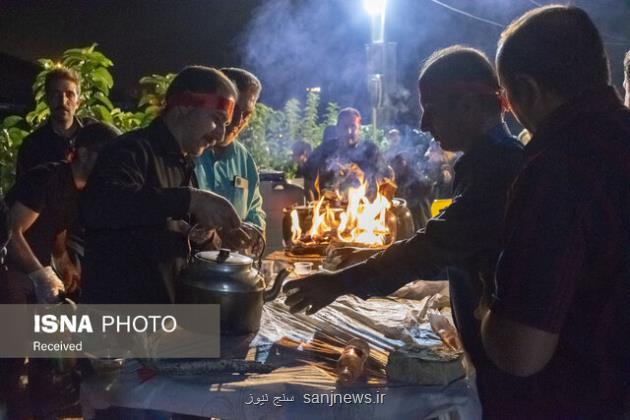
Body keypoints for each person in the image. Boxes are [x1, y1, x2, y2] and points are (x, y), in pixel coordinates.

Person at [284, 46, 523, 414]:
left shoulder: (498, 168)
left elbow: (436, 249)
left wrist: (339, 282)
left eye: (432, 108)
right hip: (496, 358)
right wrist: (367, 255)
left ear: (467, 106)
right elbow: (460, 253)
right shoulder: (488, 161)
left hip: (510, 367)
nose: (426, 124)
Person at [480, 6, 630, 417]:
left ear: (527, 90)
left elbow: (520, 352)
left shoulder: (557, 166)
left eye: (507, 99)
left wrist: (484, 310)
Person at [79, 66, 245, 304]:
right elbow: (100, 206)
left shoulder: (184, 165)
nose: (220, 135)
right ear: (185, 105)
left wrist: (205, 236)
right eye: (217, 120)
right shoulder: (130, 150)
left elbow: (171, 233)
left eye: (225, 125)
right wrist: (191, 199)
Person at [0, 122, 119, 419]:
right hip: (9, 268)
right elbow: (12, 233)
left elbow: (58, 225)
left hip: (35, 268)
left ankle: (43, 409)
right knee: (13, 356)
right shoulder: (47, 178)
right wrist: (41, 274)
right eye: (109, 157)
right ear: (84, 153)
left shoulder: (82, 188)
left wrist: (62, 259)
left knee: (47, 353)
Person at [194, 68, 265, 253]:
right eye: (235, 110)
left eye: (247, 114)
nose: (239, 121)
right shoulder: (190, 148)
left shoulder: (245, 161)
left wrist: (253, 231)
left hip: (229, 269)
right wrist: (216, 233)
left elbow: (255, 212)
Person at [16, 67, 89, 178]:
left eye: (69, 94)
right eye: (56, 94)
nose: (63, 101)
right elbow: (23, 191)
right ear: (47, 99)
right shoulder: (32, 146)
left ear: (78, 102)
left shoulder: (94, 135)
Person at [303, 108, 389, 199]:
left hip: (363, 206)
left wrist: (360, 175)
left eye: (353, 126)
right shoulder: (325, 149)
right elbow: (308, 172)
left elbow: (384, 176)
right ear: (337, 129)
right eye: (344, 127)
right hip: (330, 206)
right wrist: (325, 170)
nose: (349, 131)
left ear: (359, 128)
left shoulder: (371, 150)